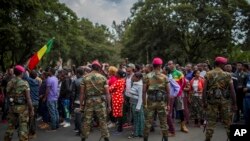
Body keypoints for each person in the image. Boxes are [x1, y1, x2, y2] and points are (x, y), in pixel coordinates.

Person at [202, 57, 237, 141]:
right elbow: (232, 91)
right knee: (227, 123)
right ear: (221, 64)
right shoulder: (228, 75)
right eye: (224, 64)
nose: (225, 65)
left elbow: (204, 89)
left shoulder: (208, 74)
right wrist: (234, 104)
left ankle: (208, 139)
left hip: (212, 101)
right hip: (225, 101)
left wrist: (204, 102)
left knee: (211, 122)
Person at [80, 60, 111, 141]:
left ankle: (83, 138)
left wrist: (81, 105)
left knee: (86, 122)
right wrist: (109, 106)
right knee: (102, 121)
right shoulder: (103, 77)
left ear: (91, 68)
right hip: (100, 102)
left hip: (89, 101)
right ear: (99, 68)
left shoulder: (85, 77)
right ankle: (106, 139)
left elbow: (82, 93)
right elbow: (107, 93)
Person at [4, 65, 34, 141]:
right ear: (22, 73)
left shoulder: (10, 82)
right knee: (23, 128)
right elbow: (28, 98)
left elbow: (7, 94)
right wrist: (31, 109)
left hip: (12, 107)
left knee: (10, 127)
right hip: (23, 109)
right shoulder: (24, 83)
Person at [143, 57, 170, 141]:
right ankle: (165, 139)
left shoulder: (147, 76)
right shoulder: (164, 77)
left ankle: (145, 139)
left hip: (150, 102)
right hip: (161, 102)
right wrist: (168, 104)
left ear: (153, 66)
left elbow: (144, 91)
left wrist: (144, 104)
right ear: (160, 66)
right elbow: (168, 92)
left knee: (148, 123)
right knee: (163, 123)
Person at [168, 60, 189, 133]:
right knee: (170, 111)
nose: (169, 65)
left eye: (170, 64)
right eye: (168, 64)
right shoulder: (168, 73)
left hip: (178, 94)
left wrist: (179, 92)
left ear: (173, 64)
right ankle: (170, 127)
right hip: (170, 96)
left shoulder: (179, 73)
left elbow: (183, 84)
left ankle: (183, 126)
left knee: (180, 110)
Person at [126, 72, 144, 138]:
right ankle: (137, 132)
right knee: (136, 118)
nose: (132, 78)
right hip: (133, 103)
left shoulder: (140, 85)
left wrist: (138, 107)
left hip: (137, 104)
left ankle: (137, 133)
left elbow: (140, 97)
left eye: (134, 77)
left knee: (138, 119)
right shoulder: (135, 84)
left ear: (138, 78)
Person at [23, 70, 40, 138]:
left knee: (30, 118)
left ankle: (31, 133)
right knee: (33, 118)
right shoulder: (37, 81)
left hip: (31, 103)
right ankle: (32, 132)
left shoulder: (29, 81)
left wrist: (26, 67)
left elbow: (24, 74)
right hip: (36, 102)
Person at [43, 67, 59, 131]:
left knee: (52, 113)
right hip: (55, 97)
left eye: (49, 71)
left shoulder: (49, 79)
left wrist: (45, 97)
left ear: (51, 72)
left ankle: (54, 127)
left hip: (50, 98)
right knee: (56, 111)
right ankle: (56, 125)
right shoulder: (56, 78)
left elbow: (47, 90)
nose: (48, 72)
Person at [72, 67, 84, 135]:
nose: (76, 74)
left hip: (77, 101)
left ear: (78, 73)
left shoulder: (76, 81)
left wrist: (72, 102)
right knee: (85, 116)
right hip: (86, 101)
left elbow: (73, 93)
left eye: (76, 73)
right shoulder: (86, 80)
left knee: (78, 117)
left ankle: (80, 131)